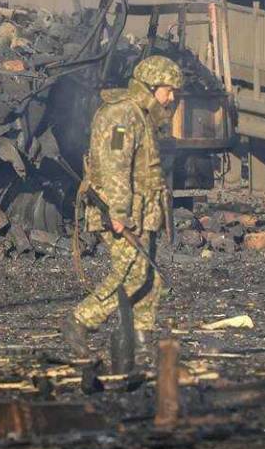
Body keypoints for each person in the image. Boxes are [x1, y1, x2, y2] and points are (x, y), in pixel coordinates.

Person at [62, 55, 184, 356]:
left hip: (142, 211)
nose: (171, 98)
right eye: (168, 90)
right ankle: (80, 320)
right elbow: (115, 166)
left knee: (149, 276)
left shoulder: (141, 115)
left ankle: (142, 336)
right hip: (122, 211)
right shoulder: (122, 115)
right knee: (130, 273)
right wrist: (119, 213)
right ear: (151, 86)